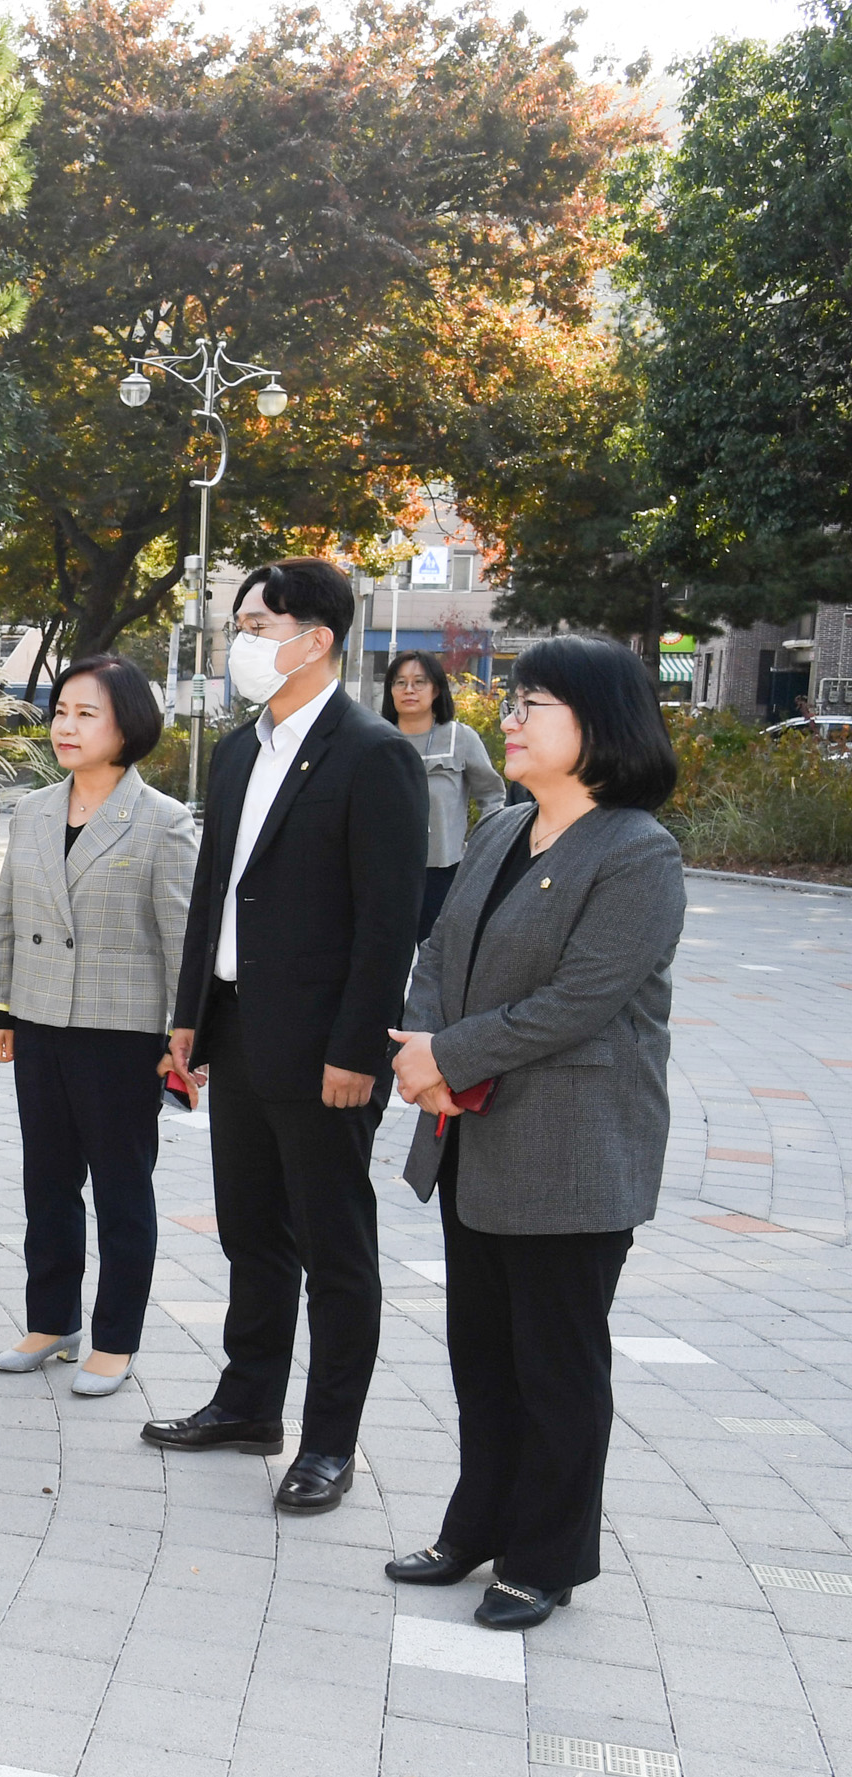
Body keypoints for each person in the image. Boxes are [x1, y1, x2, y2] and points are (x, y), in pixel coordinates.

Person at [386, 637, 684, 1631]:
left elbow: (579, 1003)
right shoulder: (501, 827)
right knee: (483, 1353)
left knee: (555, 1363)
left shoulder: (637, 849)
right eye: (510, 702)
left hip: (574, 1147)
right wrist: (424, 1041)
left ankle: (545, 1555)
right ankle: (477, 1524)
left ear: (600, 722)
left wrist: (447, 1054)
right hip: (476, 1134)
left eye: (533, 703)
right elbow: (439, 948)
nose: (509, 718)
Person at [147, 559, 427, 1513]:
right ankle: (248, 1403)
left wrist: (358, 1052)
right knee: (251, 1234)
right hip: (236, 1027)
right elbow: (212, 898)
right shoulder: (236, 753)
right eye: (240, 625)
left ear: (318, 639)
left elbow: (388, 925)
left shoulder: (373, 754)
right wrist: (187, 1017)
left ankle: (329, 1444)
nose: (243, 642)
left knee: (335, 1248)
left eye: (259, 624)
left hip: (325, 1051)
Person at [0, 655, 198, 1396]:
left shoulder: (164, 822)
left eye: (86, 714)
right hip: (39, 1020)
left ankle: (116, 1339)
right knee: (47, 1182)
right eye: (61, 711)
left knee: (122, 1189)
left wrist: (184, 1036)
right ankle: (52, 1322)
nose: (66, 727)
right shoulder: (36, 808)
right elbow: (6, 917)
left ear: (127, 725)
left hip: (121, 1032)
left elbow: (181, 940)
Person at [381, 650, 506, 940]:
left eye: (419, 682)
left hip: (442, 871)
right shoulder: (376, 739)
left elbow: (491, 795)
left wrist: (479, 848)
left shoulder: (460, 738)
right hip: (384, 872)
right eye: (399, 683)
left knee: (436, 956)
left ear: (436, 689)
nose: (408, 690)